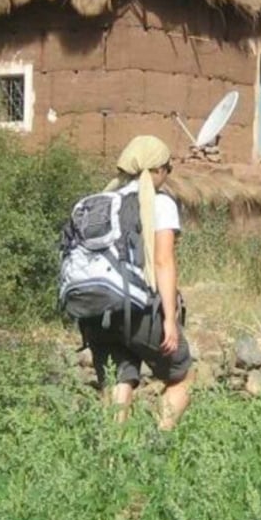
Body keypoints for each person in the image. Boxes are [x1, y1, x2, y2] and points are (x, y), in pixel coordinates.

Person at [78, 135, 194, 430]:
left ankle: (114, 460)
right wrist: (169, 319)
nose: (168, 175)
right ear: (156, 171)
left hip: (97, 311)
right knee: (181, 376)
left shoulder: (100, 202)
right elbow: (163, 261)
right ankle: (155, 446)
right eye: (167, 168)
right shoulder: (160, 203)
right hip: (139, 310)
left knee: (119, 379)